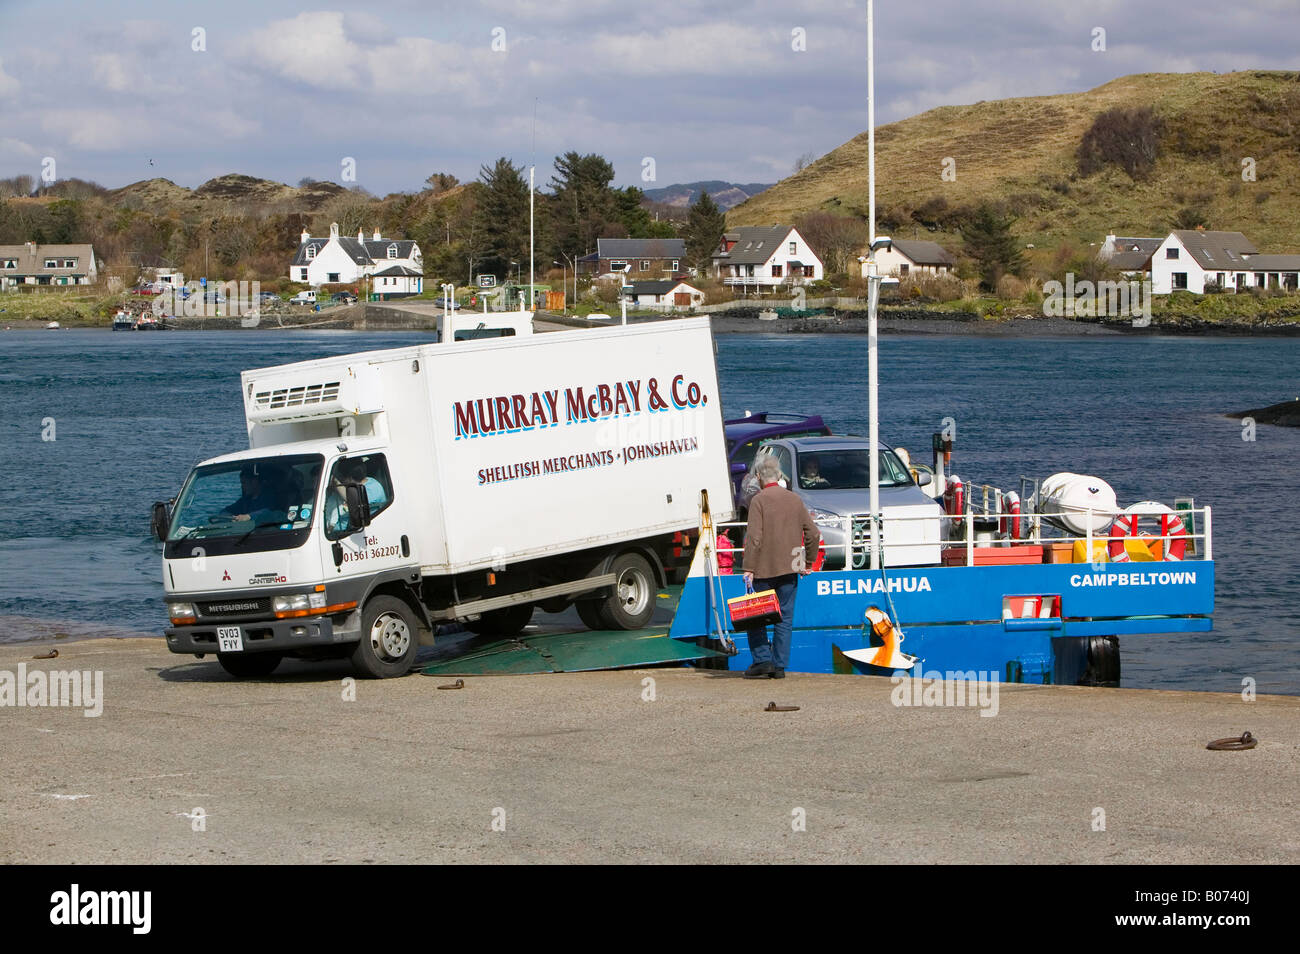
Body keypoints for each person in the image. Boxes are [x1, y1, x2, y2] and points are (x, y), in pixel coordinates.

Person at [741, 455, 821, 679]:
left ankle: (762, 660)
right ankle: (779, 666)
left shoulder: (759, 501)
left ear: (758, 477)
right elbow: (813, 533)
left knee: (757, 616)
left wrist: (748, 567)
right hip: (791, 568)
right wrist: (807, 563)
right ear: (778, 476)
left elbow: (754, 538)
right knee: (784, 617)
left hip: (763, 570)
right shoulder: (794, 499)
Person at [325, 459, 387, 533]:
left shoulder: (373, 488)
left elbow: (354, 500)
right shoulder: (349, 488)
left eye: (341, 478)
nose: (341, 481)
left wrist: (336, 482)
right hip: (334, 529)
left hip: (349, 532)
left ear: (350, 478)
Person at [222, 464, 287, 524]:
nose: (242, 486)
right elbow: (227, 510)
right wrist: (226, 516)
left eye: (244, 483)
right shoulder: (246, 500)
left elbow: (269, 511)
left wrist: (249, 517)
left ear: (254, 482)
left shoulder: (271, 497)